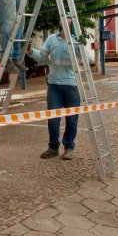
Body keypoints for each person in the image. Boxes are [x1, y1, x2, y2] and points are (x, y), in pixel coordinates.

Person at [27, 19, 82, 160]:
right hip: (54, 86)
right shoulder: (52, 39)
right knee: (53, 119)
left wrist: (82, 46)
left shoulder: (77, 40)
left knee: (71, 120)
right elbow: (42, 57)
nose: (66, 24)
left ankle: (69, 147)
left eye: (69, 23)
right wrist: (30, 51)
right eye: (64, 22)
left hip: (72, 86)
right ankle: (53, 147)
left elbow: (86, 59)